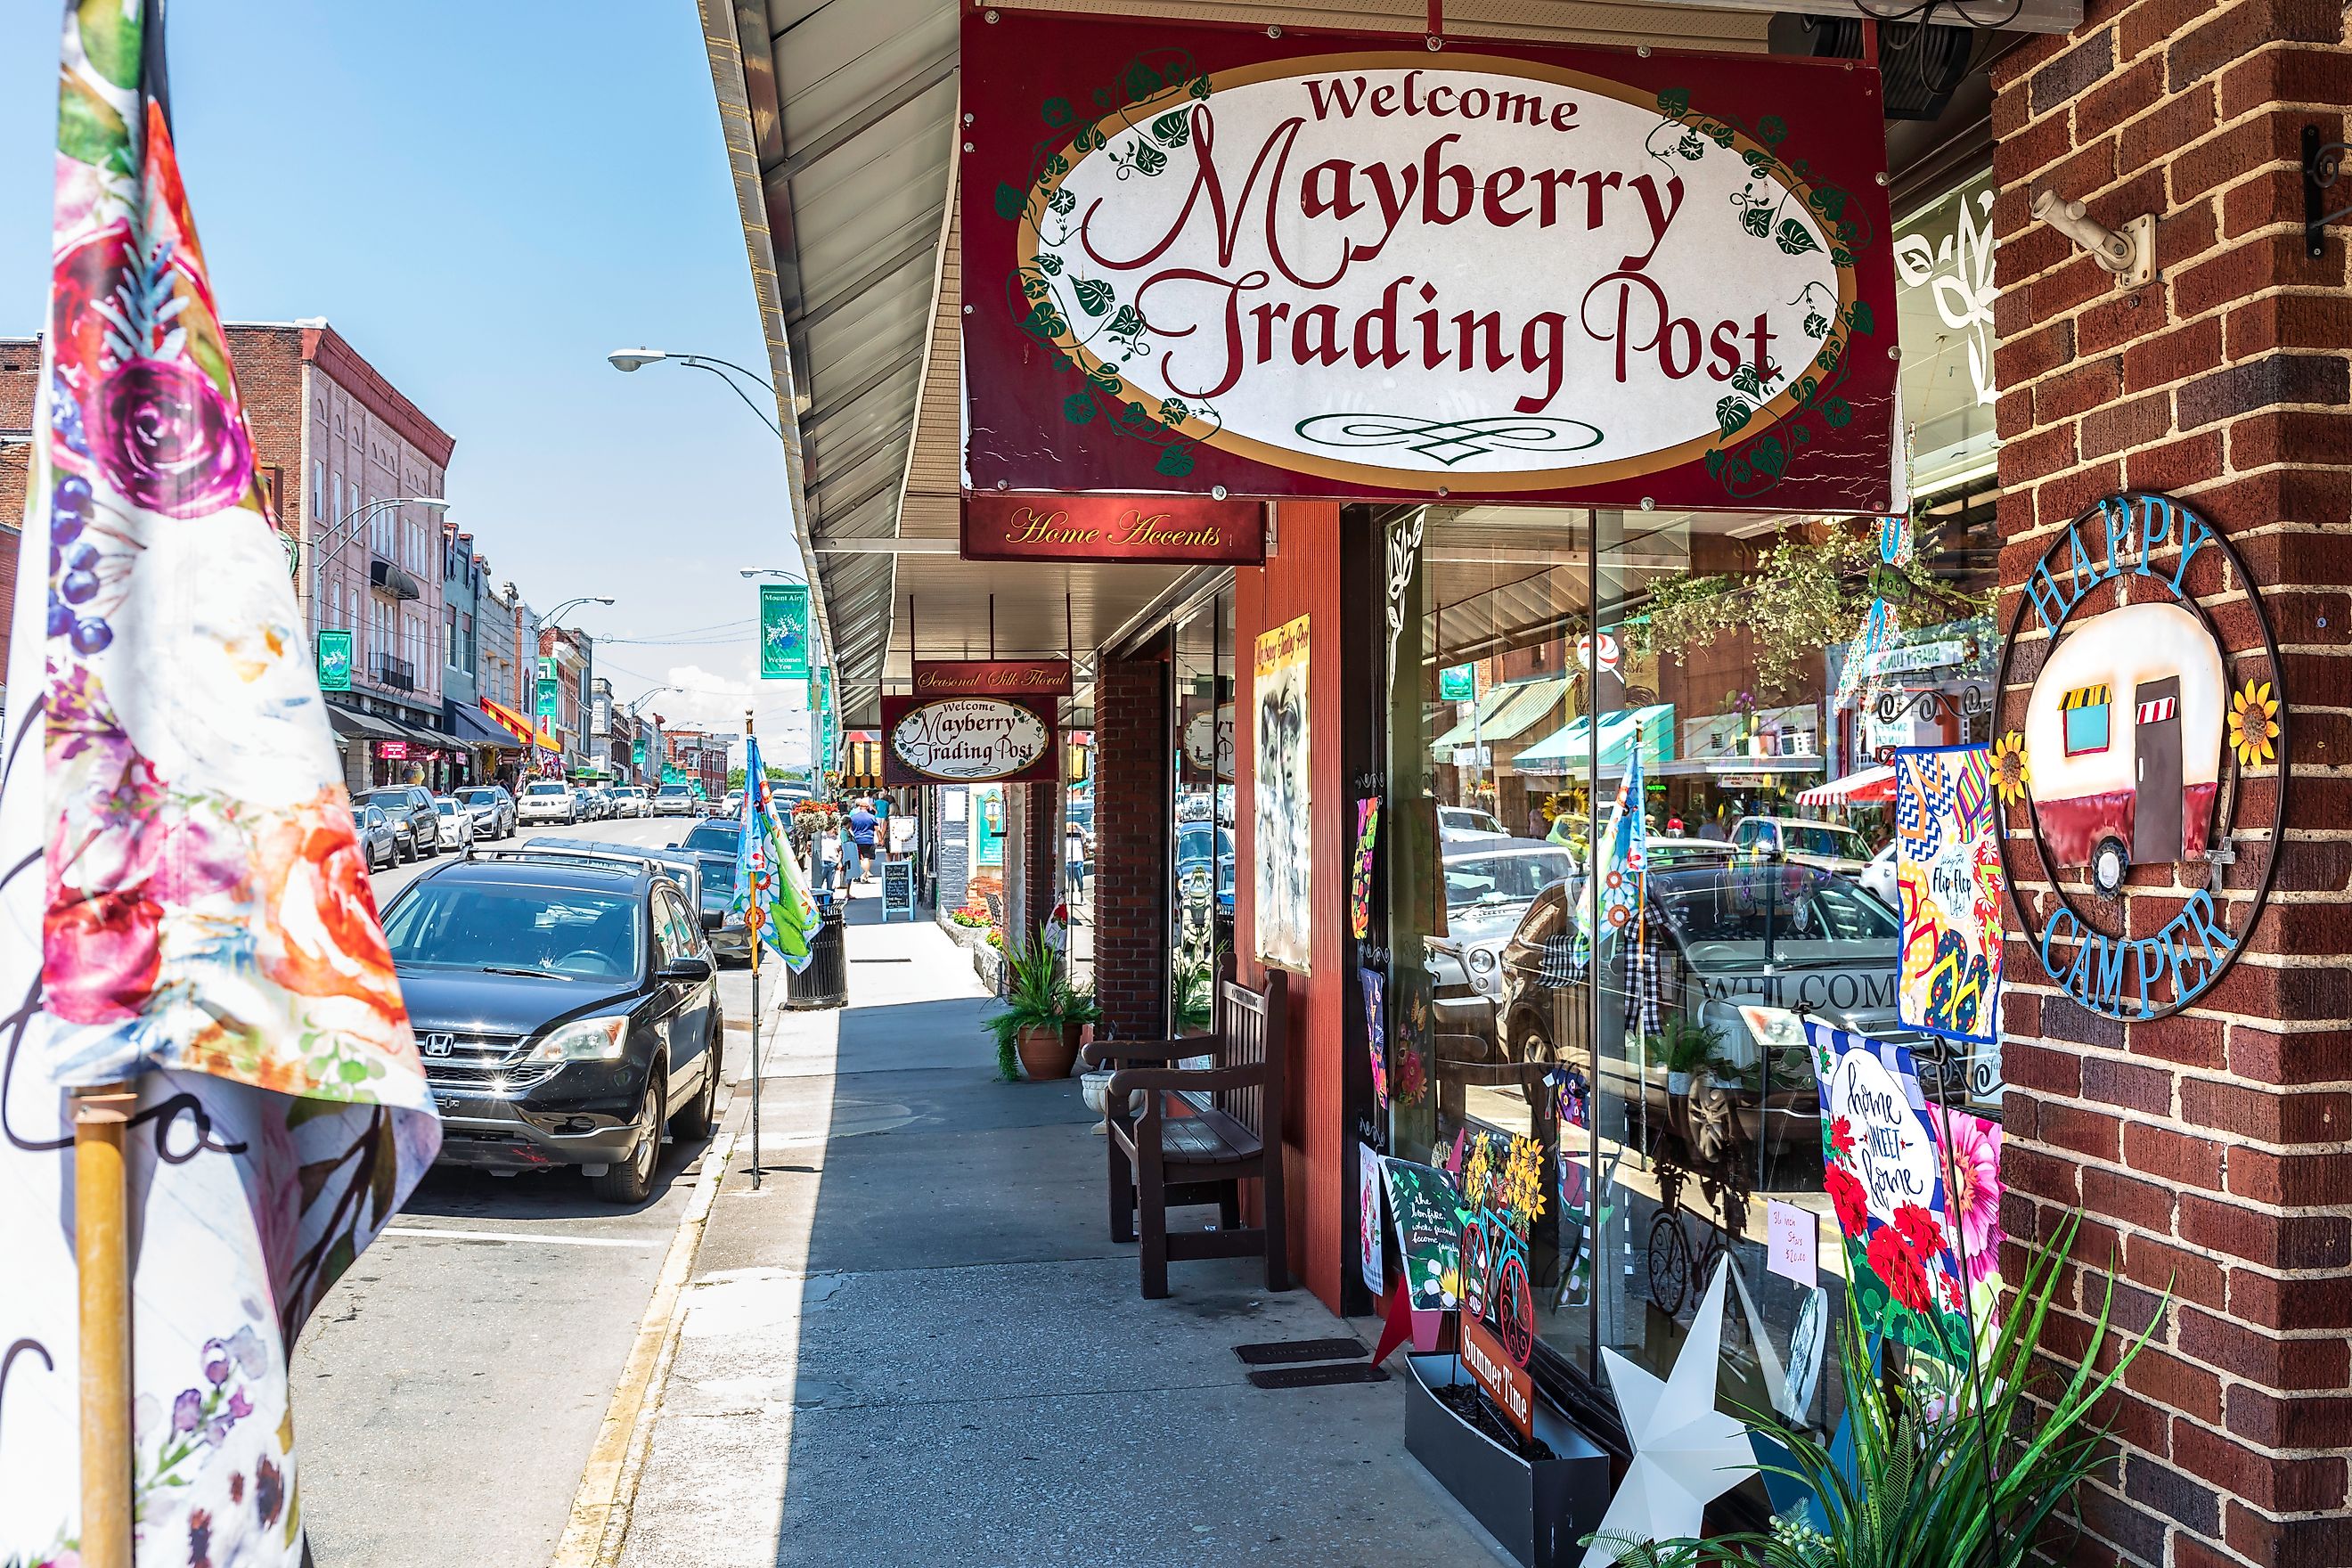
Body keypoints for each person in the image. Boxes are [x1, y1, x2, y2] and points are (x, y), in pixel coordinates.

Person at [847, 798, 879, 881]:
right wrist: (880, 839)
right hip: (869, 839)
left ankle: (860, 875)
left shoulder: (853, 817)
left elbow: (850, 828)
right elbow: (877, 829)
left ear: (859, 807)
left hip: (857, 840)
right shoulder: (871, 817)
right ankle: (864, 875)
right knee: (866, 858)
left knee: (859, 858)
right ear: (867, 807)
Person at [1065, 817, 1087, 902]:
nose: (1073, 831)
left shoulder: (1079, 838)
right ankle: (1069, 898)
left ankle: (1081, 897)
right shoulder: (1066, 838)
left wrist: (1078, 827)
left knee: (1080, 879)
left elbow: (1085, 834)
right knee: (1069, 880)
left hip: (1078, 860)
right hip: (1069, 860)